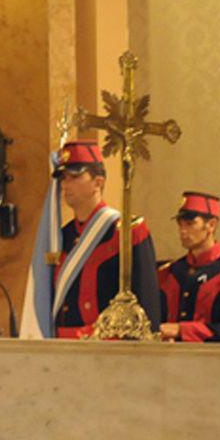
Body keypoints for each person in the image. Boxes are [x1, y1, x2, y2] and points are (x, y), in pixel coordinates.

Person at [50, 140, 162, 338]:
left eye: (75, 177)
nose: (66, 184)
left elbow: (146, 302)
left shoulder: (127, 231)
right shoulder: (62, 235)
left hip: (109, 346)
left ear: (98, 182)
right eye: (63, 178)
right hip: (64, 346)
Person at [156, 192, 220, 342]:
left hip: (216, 361)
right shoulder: (171, 272)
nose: (183, 231)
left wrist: (181, 330)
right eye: (180, 224)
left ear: (211, 225)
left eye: (190, 224)